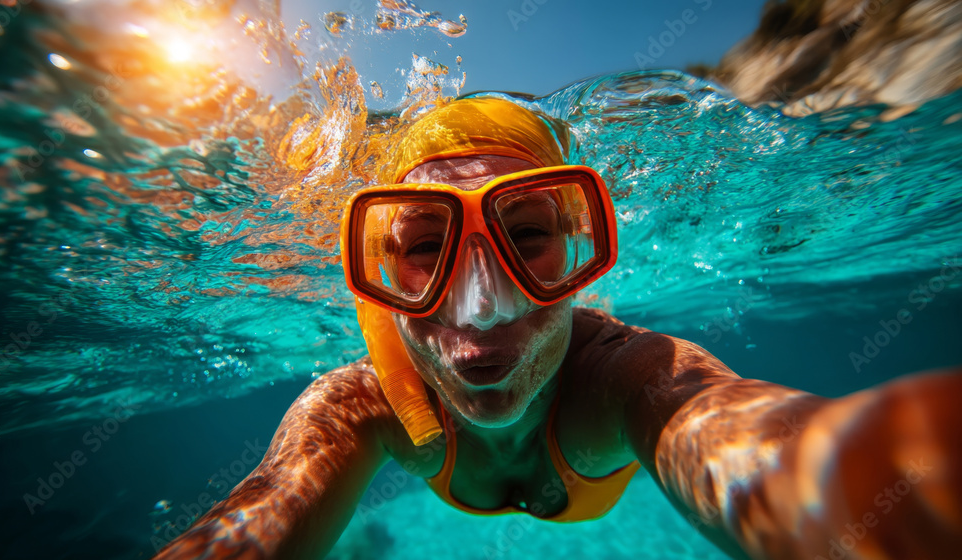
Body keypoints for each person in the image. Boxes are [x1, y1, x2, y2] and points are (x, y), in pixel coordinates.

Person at [154, 97, 962, 560]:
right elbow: (253, 522)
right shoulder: (356, 409)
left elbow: (766, 446)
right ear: (376, 273)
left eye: (528, 237)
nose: (481, 309)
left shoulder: (628, 377)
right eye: (427, 249)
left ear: (579, 246)